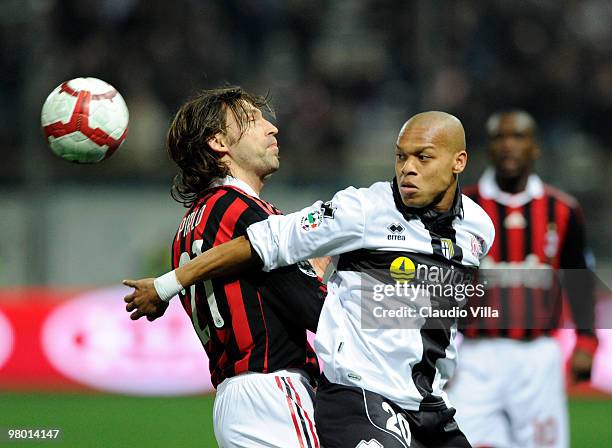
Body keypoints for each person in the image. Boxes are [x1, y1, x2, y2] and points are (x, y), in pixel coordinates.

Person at [124, 110, 496, 448]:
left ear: (458, 162)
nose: (408, 168)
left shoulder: (478, 229)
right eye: (401, 156)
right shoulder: (361, 209)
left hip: (430, 404)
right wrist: (165, 285)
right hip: (352, 394)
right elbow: (265, 247)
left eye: (423, 157)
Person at [130, 86, 327, 448]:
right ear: (219, 142)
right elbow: (319, 312)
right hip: (274, 391)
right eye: (253, 120)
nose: (273, 128)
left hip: (232, 402)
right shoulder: (242, 212)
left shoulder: (188, 227)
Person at [447, 110, 598, 448]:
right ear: (487, 148)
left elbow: (579, 278)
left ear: (535, 148)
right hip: (475, 356)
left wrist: (587, 341)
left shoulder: (562, 209)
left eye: (518, 137)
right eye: (499, 137)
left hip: (537, 357)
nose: (508, 146)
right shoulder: (462, 207)